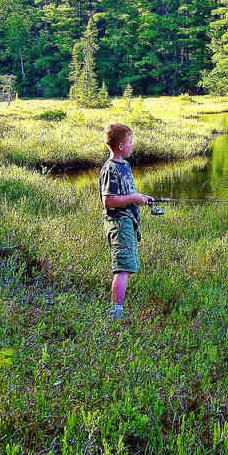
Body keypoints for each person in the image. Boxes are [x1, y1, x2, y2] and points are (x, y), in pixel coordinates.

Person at [99, 122, 152, 320]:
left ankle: (116, 312)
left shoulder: (125, 166)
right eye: (130, 142)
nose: (132, 145)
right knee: (122, 268)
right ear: (121, 146)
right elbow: (109, 201)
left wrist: (142, 198)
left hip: (127, 222)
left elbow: (128, 194)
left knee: (126, 267)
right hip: (119, 224)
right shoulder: (110, 168)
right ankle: (115, 315)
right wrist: (134, 199)